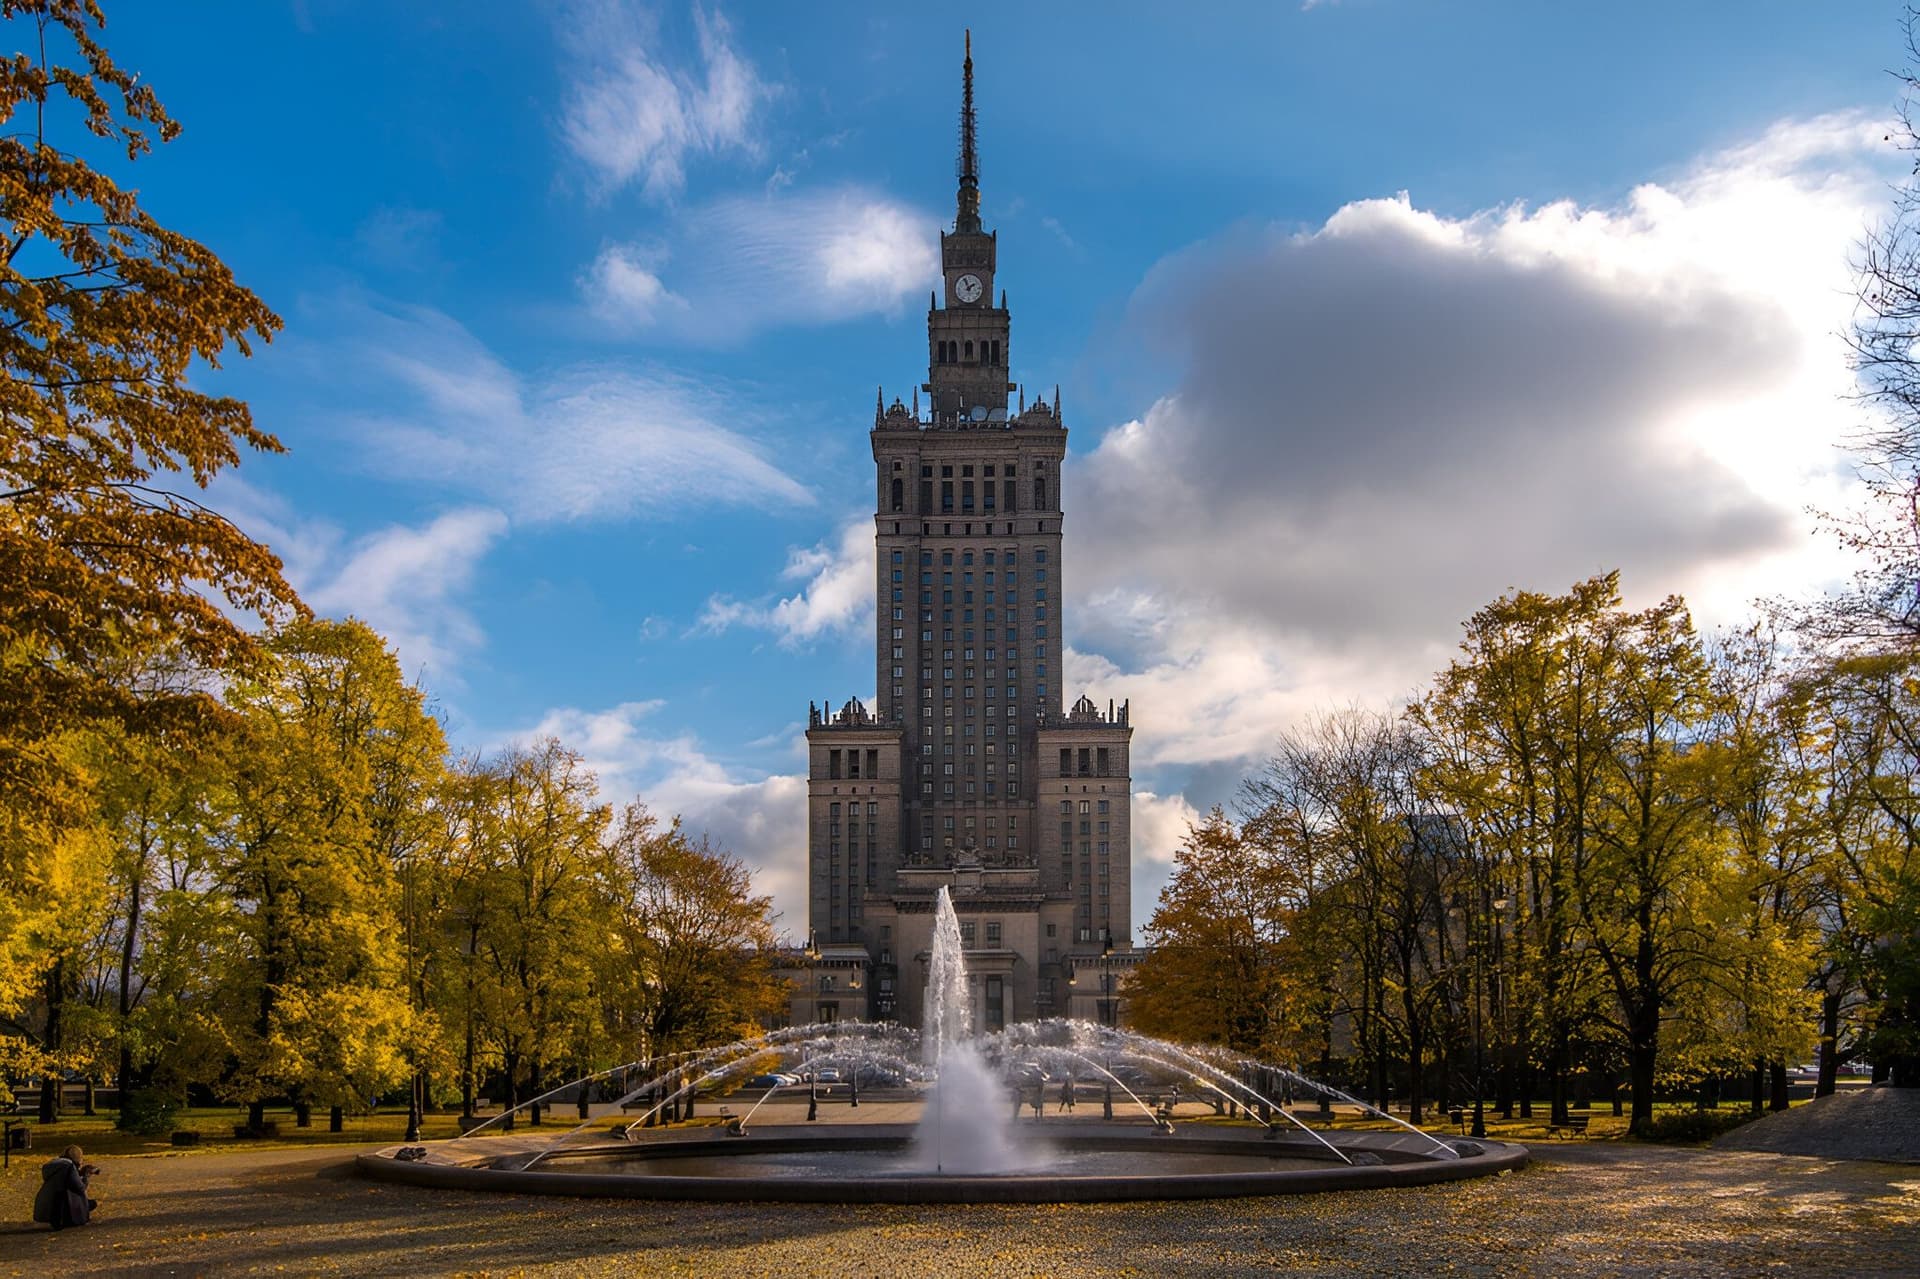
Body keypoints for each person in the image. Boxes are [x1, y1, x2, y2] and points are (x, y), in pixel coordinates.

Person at [32, 1145, 98, 1231]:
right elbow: (80, 1188)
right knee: (92, 1203)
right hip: (64, 1211)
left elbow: (66, 1181)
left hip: (47, 1209)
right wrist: (86, 1176)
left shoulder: (55, 1165)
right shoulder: (69, 1166)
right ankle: (81, 1210)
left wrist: (78, 1173)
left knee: (89, 1203)